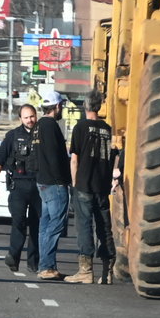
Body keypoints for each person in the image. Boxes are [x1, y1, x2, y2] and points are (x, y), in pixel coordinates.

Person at [65, 96, 115, 284]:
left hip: (84, 184)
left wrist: (74, 182)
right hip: (102, 185)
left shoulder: (80, 128)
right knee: (104, 227)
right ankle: (107, 271)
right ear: (99, 106)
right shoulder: (108, 130)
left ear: (85, 106)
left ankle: (85, 271)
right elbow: (114, 158)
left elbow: (74, 159)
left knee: (84, 226)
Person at [0, 104, 41, 273]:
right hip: (18, 185)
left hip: (39, 186)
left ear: (36, 116)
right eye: (26, 117)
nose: (30, 120)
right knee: (18, 221)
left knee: (37, 224)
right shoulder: (12, 136)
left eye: (32, 116)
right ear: (20, 119)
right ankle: (14, 256)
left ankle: (33, 262)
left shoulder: (42, 135)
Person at [32, 93, 73, 280]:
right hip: (54, 183)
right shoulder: (51, 126)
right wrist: (63, 180)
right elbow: (55, 157)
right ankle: (46, 266)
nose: (62, 109)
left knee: (45, 225)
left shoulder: (38, 126)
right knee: (55, 225)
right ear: (56, 106)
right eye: (61, 106)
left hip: (43, 182)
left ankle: (46, 266)